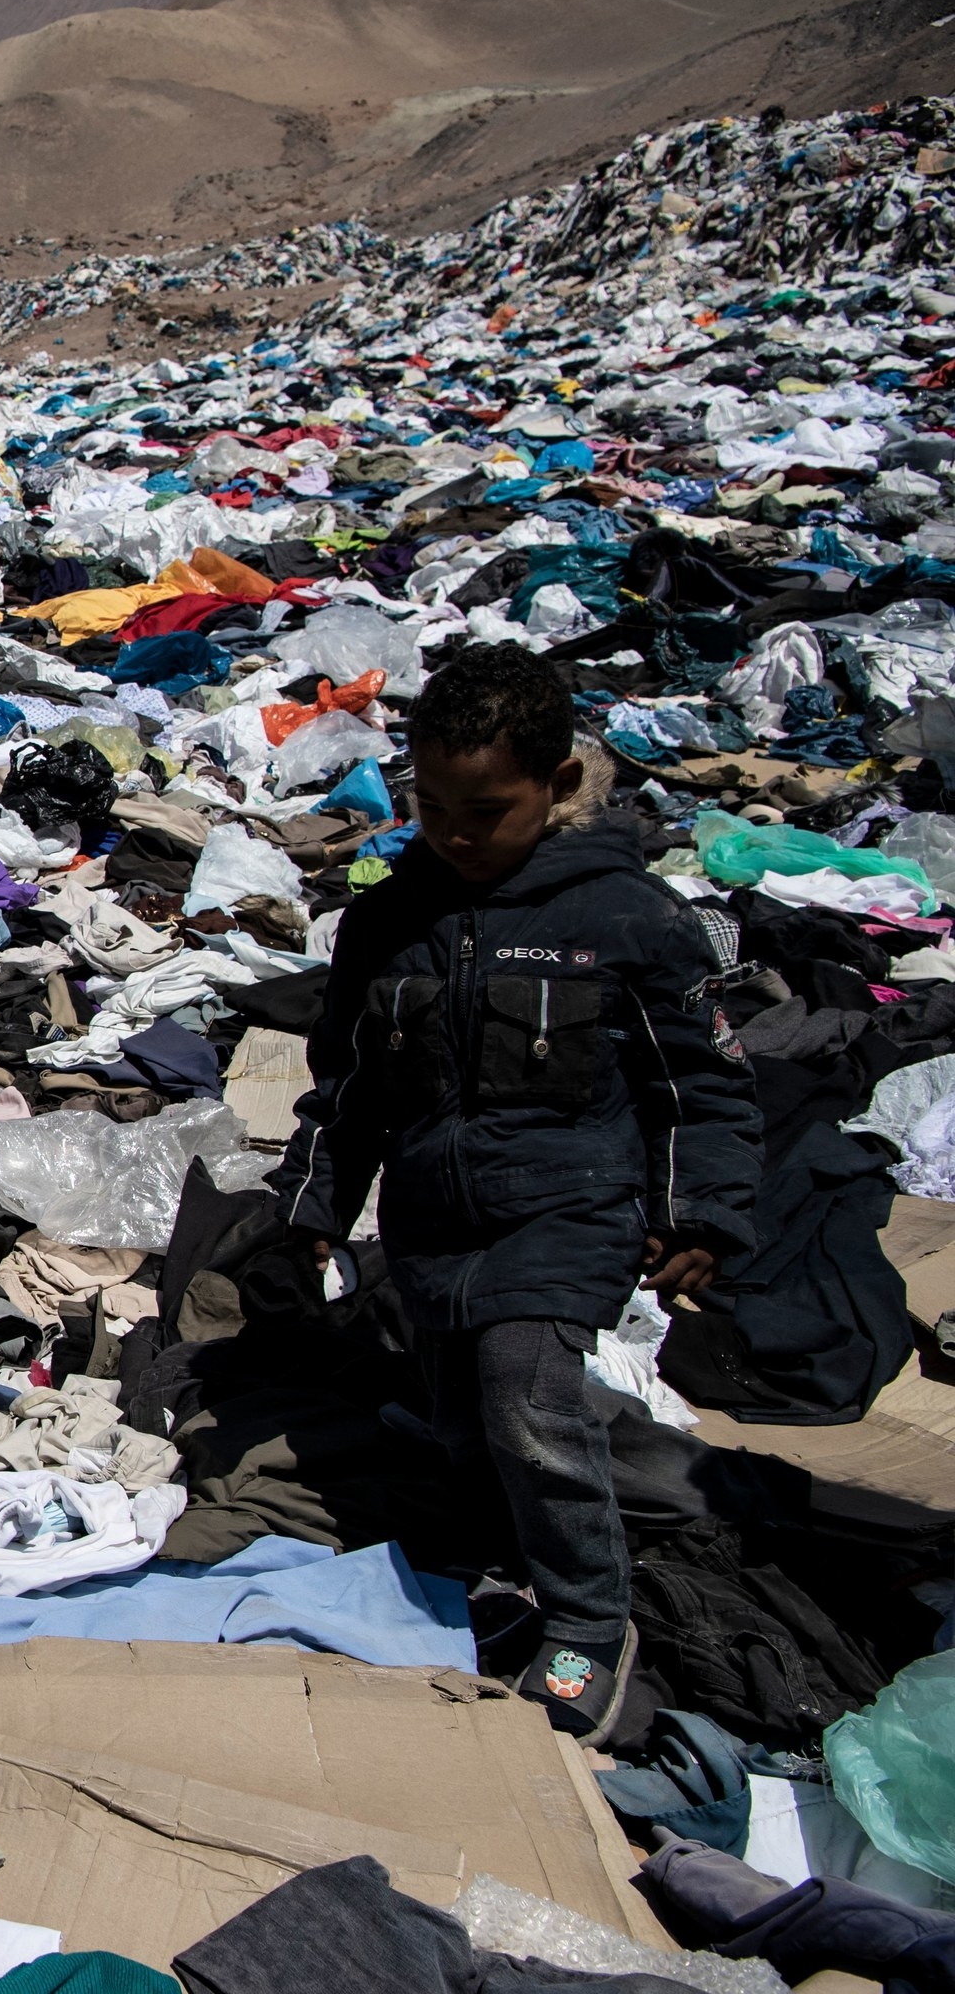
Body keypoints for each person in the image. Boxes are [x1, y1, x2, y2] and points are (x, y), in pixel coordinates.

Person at [274, 645, 761, 1744]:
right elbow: (345, 1086)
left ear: (555, 783)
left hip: (570, 1207)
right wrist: (311, 1206)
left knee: (526, 1397)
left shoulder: (627, 917)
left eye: (486, 810)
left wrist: (701, 1215)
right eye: (432, 804)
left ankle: (592, 1618)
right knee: (460, 1420)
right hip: (436, 1218)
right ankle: (500, 1567)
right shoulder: (388, 918)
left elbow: (705, 1086)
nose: (454, 831)